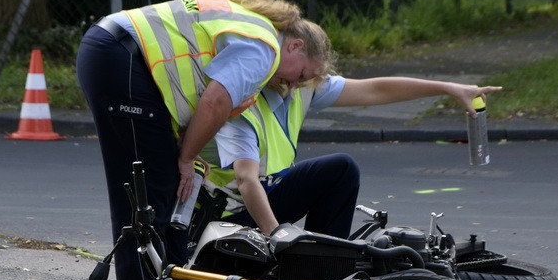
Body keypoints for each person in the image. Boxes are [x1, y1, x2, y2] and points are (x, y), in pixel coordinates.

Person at [76, 0, 331, 280]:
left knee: (154, 184)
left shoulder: (249, 22)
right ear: (296, 46)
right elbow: (216, 100)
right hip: (122, 59)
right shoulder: (265, 48)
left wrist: (186, 154)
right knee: (152, 187)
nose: (292, 84)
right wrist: (187, 157)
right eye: (300, 74)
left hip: (116, 53)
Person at [205, 75, 502, 238]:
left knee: (340, 170)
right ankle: (310, 269)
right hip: (229, 218)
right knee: (341, 167)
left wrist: (447, 87)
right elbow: (245, 179)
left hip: (267, 196)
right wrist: (279, 238)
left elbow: (374, 90)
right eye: (305, 72)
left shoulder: (302, 84)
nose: (307, 81)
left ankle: (323, 271)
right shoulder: (245, 101)